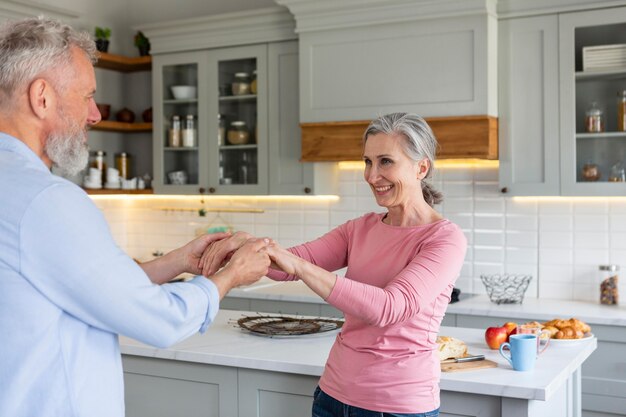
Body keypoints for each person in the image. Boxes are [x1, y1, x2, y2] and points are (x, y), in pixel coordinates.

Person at [0, 16, 270, 417]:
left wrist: (177, 261)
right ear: (42, 97)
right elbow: (159, 321)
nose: (94, 113)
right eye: (86, 95)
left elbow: (90, 287)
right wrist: (230, 275)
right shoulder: (48, 201)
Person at [200, 112, 467, 416]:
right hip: (332, 396)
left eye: (385, 162)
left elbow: (388, 308)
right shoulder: (360, 228)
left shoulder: (444, 238)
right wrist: (243, 243)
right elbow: (282, 266)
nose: (371, 175)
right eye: (367, 162)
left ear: (421, 167)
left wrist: (298, 266)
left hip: (397, 406)